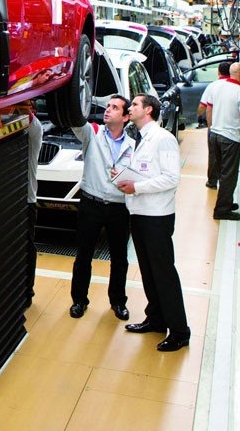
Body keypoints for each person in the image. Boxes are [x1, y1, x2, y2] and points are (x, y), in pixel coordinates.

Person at [115, 94, 190, 353]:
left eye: (134, 104)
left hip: (157, 216)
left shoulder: (163, 139)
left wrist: (136, 186)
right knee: (147, 270)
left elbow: (171, 178)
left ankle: (180, 331)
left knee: (163, 272)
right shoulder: (140, 139)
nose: (130, 107)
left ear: (148, 110)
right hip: (139, 212)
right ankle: (156, 318)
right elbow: (148, 171)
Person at [67, 95, 134, 321]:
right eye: (107, 107)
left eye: (114, 108)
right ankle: (79, 300)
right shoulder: (92, 133)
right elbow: (75, 119)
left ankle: (118, 301)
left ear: (126, 117)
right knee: (84, 255)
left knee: (119, 258)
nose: (107, 111)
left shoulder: (133, 146)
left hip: (119, 208)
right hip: (91, 203)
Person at [205, 61, 240, 221]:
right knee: (229, 175)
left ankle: (226, 202)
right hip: (230, 138)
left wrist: (210, 128)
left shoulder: (216, 86)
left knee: (221, 171)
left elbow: (208, 108)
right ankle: (222, 210)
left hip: (215, 134)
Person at [198, 59, 232, 186]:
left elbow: (202, 107)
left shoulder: (212, 86)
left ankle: (212, 181)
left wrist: (199, 116)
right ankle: (225, 183)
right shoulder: (238, 87)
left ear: (218, 72)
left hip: (214, 127)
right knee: (228, 159)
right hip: (230, 128)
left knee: (213, 155)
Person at [24, 104, 43, 308]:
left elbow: (28, 119)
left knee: (27, 247)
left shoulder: (35, 128)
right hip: (14, 201)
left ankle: (28, 292)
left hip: (27, 200)